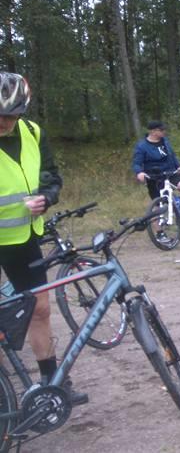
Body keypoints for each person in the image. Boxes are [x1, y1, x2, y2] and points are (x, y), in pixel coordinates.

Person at [0, 72, 87, 404]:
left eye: (11, 115)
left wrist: (46, 198)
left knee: (39, 310)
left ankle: (53, 381)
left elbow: (50, 176)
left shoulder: (34, 133)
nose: (4, 122)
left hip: (23, 238)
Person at [131, 121, 180, 231]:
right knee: (156, 205)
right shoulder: (142, 146)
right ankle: (159, 233)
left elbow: (172, 156)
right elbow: (137, 163)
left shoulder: (165, 142)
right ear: (153, 131)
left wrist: (179, 167)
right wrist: (139, 172)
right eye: (161, 130)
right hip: (154, 176)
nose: (164, 132)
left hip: (170, 173)